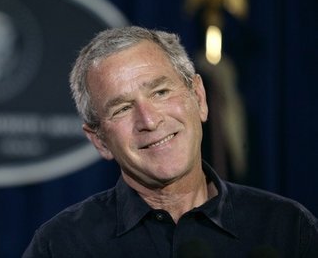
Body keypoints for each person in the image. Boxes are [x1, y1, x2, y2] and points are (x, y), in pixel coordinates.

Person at [23, 26, 318, 257]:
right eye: (122, 108)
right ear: (99, 140)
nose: (149, 121)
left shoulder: (287, 228)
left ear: (199, 98)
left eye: (160, 92)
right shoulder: (62, 245)